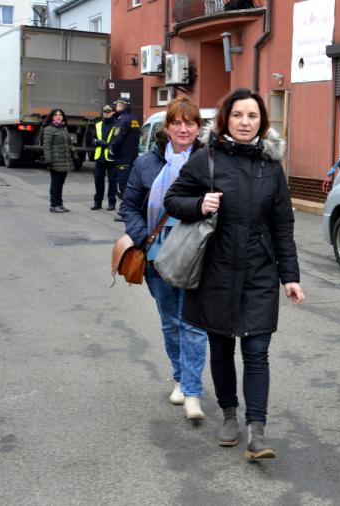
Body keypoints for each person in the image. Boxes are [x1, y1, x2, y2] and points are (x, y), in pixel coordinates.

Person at [163, 88, 304, 461]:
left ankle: (257, 430)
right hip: (215, 270)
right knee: (222, 347)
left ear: (262, 122)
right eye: (238, 115)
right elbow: (172, 200)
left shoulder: (271, 167)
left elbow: (282, 225)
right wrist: (199, 204)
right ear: (225, 119)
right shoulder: (204, 159)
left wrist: (290, 276)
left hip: (259, 271)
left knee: (257, 351)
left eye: (253, 116)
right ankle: (229, 416)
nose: (245, 122)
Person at [119, 98, 209, 420]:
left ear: (198, 128)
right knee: (171, 323)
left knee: (194, 324)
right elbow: (128, 206)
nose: (183, 129)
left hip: (197, 255)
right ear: (167, 127)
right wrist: (143, 238)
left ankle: (192, 388)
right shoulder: (146, 164)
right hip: (157, 255)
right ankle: (180, 377)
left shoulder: (208, 162)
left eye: (190, 123)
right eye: (177, 123)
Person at [110, 97, 141, 221]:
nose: (115, 107)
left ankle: (126, 213)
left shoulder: (122, 120)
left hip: (123, 158)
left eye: (117, 105)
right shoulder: (134, 119)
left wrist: (112, 150)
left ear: (121, 106)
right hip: (132, 157)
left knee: (124, 186)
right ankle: (128, 210)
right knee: (130, 185)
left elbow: (118, 138)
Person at [42, 108, 75, 213]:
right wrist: (48, 160)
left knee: (60, 183)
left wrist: (74, 154)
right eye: (56, 114)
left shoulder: (63, 128)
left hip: (64, 160)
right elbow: (46, 146)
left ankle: (60, 204)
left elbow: (69, 144)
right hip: (55, 160)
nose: (58, 116)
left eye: (60, 114)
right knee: (55, 184)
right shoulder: (49, 129)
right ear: (52, 117)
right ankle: (53, 205)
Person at [91, 105, 118, 211]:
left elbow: (118, 139)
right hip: (100, 158)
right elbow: (92, 139)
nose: (106, 114)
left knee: (112, 182)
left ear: (112, 113)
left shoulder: (117, 124)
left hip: (112, 158)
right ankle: (97, 203)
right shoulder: (98, 124)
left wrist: (109, 144)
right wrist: (97, 142)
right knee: (98, 181)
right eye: (105, 112)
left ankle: (111, 203)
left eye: (108, 112)